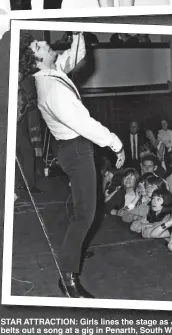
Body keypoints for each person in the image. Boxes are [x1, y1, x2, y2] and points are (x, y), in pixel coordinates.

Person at [19, 32, 125, 298]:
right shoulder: (51, 88)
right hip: (76, 149)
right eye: (41, 45)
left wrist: (78, 32)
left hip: (72, 147)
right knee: (85, 214)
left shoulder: (51, 73)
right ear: (36, 59)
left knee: (84, 209)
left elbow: (75, 56)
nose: (47, 44)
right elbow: (83, 122)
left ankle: (74, 248)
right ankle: (67, 278)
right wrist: (115, 143)